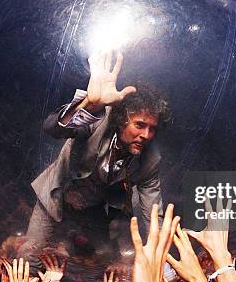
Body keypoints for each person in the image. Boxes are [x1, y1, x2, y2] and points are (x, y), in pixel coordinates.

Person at [22, 50, 171, 257]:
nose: (146, 135)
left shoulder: (150, 159)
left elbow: (153, 213)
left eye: (152, 128)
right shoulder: (98, 117)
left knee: (106, 259)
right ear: (122, 120)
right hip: (56, 196)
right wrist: (91, 105)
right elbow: (53, 128)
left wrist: (161, 255)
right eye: (140, 125)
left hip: (92, 210)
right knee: (30, 254)